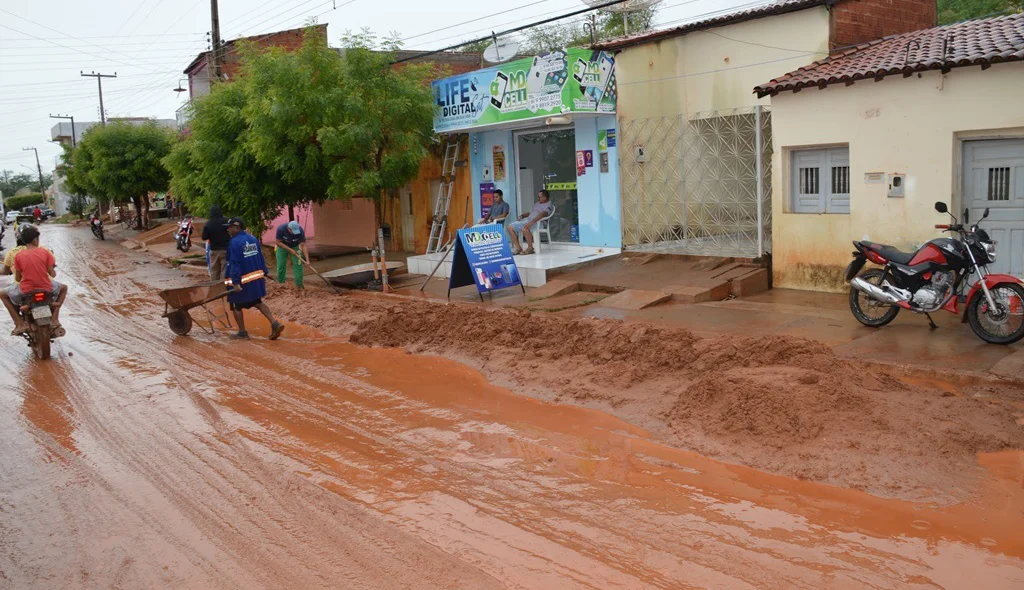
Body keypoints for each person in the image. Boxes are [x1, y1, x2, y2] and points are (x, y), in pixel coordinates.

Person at [1, 225, 67, 337]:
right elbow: (53, 274)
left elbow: (17, 278)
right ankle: (55, 319)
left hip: (26, 291)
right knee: (64, 288)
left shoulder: (18, 255)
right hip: (47, 288)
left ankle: (20, 323)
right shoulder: (45, 252)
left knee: (2, 294)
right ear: (36, 240)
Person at [224, 217, 284, 340]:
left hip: (242, 281)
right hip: (255, 280)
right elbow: (260, 257)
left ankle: (242, 332)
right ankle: (274, 323)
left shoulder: (234, 243)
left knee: (236, 306)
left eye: (230, 227)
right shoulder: (252, 239)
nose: (228, 229)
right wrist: (265, 272)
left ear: (237, 227)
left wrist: (235, 282)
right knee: (257, 302)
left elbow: (234, 263)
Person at [506, 189, 554, 255]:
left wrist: (531, 223)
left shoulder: (549, 205)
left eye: (539, 197)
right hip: (528, 220)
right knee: (510, 227)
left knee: (525, 228)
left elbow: (542, 215)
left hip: (539, 223)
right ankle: (518, 248)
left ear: (544, 197)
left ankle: (530, 248)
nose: (538, 198)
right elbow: (530, 213)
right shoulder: (537, 204)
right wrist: (522, 215)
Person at [274, 220, 308, 289]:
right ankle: (281, 284)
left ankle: (299, 286)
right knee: (281, 265)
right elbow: (278, 242)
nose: (295, 233)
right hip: (282, 246)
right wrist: (290, 250)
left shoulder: (300, 231)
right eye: (293, 231)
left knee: (298, 265)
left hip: (295, 246)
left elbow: (303, 245)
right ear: (288, 229)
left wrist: (307, 260)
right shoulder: (281, 229)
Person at [202, 204, 231, 281]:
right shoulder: (226, 221)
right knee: (224, 270)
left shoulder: (208, 224)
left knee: (214, 271)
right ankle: (224, 287)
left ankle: (214, 288)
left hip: (214, 250)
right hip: (226, 250)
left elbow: (204, 237)